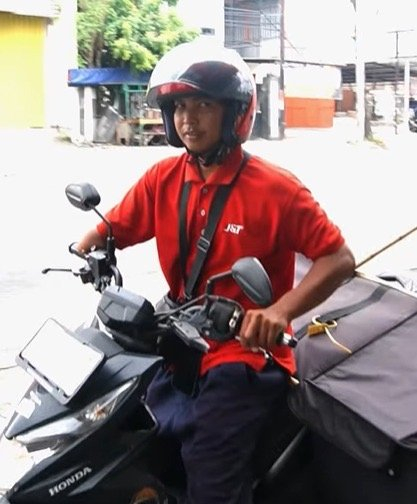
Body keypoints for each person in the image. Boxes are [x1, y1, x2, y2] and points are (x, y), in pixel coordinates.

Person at [76, 41, 356, 503]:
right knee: (131, 431)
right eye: (179, 107)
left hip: (244, 353)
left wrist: (279, 313)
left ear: (235, 113)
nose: (188, 119)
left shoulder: (276, 190)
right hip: (179, 333)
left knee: (210, 468)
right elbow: (114, 228)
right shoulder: (164, 178)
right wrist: (88, 247)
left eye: (203, 105)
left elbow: (339, 259)